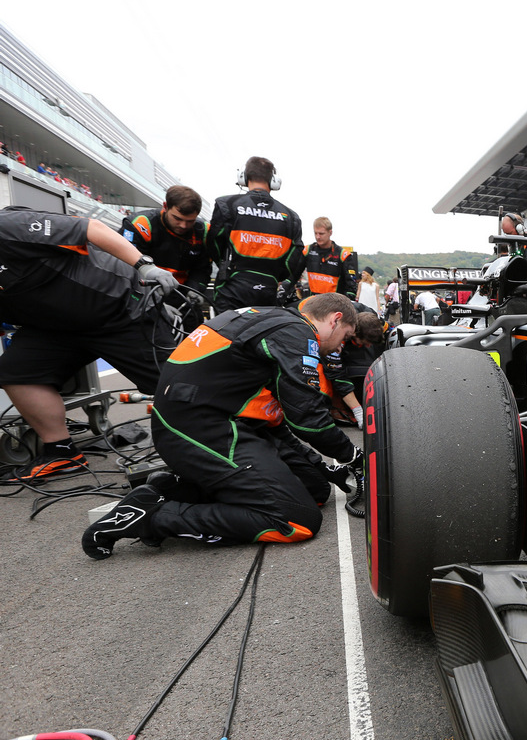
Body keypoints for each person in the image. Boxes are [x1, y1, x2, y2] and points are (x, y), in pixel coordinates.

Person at [81, 293, 361, 557]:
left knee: (316, 489)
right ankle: (153, 518)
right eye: (345, 337)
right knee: (296, 519)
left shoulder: (272, 319)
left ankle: (175, 489)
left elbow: (271, 420)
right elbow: (308, 418)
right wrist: (353, 456)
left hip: (216, 420)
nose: (340, 347)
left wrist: (323, 467)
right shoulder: (296, 334)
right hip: (196, 429)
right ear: (335, 320)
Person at [0, 209, 180, 481]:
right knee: (15, 372)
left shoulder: (7, 226)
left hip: (120, 309)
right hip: (53, 329)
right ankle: (62, 453)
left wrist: (145, 265)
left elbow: (91, 228)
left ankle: (239, 433)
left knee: (178, 383)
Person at [207, 157, 304, 314]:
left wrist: (226, 265)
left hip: (231, 287)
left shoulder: (227, 204)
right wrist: (276, 275)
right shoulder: (291, 216)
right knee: (261, 336)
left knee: (225, 335)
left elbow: (214, 243)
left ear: (244, 177)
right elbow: (296, 256)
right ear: (273, 180)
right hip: (268, 289)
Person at [119, 184, 211, 332]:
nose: (183, 225)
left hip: (183, 294)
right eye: (177, 218)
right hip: (143, 293)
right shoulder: (141, 224)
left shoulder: (204, 231)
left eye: (190, 221)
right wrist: (153, 304)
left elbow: (202, 268)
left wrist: (195, 289)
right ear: (165, 206)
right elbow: (125, 270)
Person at [303, 217, 358, 299]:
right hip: (313, 302)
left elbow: (351, 285)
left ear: (330, 232)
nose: (318, 237)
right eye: (315, 233)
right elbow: (294, 274)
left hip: (334, 303)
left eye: (321, 234)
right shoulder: (307, 251)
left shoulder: (343, 255)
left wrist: (348, 301)